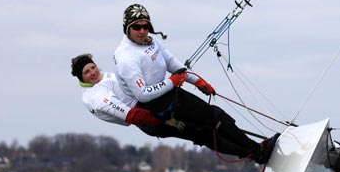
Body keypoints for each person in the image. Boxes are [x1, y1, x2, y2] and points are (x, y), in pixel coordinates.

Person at [113, 4, 276, 164]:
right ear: (127, 29)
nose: (142, 31)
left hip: (169, 96)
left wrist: (197, 81)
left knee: (207, 132)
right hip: (158, 105)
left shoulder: (152, 42)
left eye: (145, 26)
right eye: (136, 27)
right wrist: (172, 82)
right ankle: (258, 151)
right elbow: (143, 94)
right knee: (215, 117)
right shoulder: (127, 58)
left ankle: (255, 154)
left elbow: (174, 65)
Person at [71, 53, 254, 157]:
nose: (93, 72)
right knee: (203, 134)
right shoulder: (93, 95)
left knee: (208, 121)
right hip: (148, 119)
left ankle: (253, 148)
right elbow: (128, 115)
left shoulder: (108, 76)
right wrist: (158, 117)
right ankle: (250, 153)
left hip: (153, 106)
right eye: (87, 72)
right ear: (81, 77)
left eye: (93, 67)